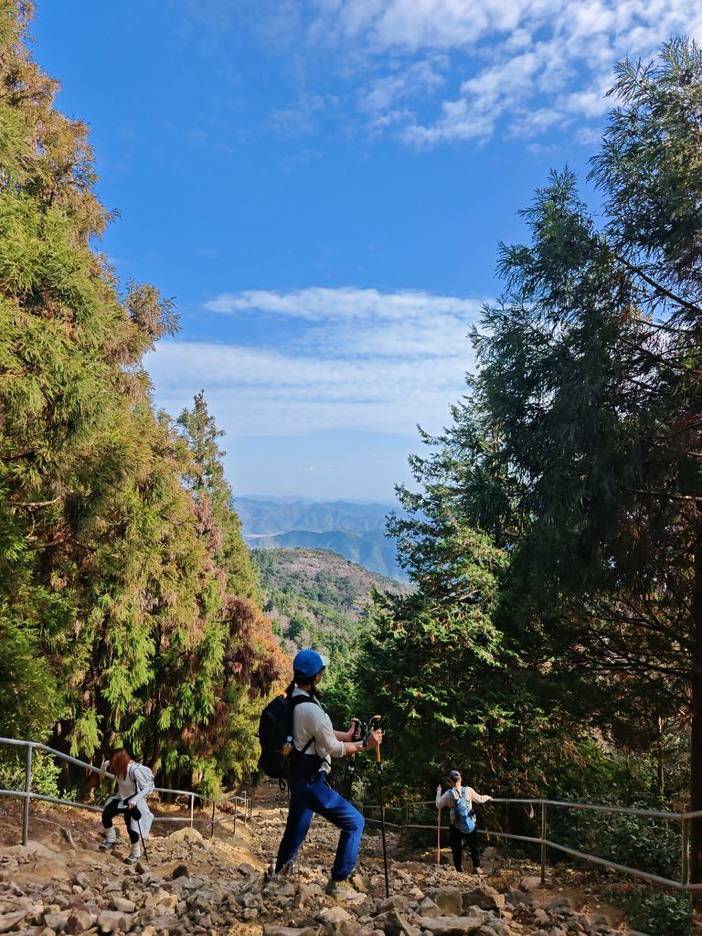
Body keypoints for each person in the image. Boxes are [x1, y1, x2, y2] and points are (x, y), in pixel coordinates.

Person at [274, 648, 383, 897]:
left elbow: (318, 733)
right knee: (355, 822)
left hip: (299, 778)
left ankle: (279, 877)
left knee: (296, 830)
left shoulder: (296, 698)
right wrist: (366, 745)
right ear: (316, 677)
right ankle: (339, 881)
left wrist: (347, 735)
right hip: (312, 782)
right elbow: (333, 748)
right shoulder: (310, 708)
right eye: (321, 671)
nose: (323, 673)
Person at [99, 748, 155, 865]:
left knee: (131, 827)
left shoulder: (133, 771)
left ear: (120, 761)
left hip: (133, 800)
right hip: (121, 797)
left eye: (114, 763)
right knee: (106, 814)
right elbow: (104, 767)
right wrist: (103, 767)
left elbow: (146, 788)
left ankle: (135, 854)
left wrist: (134, 800)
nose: (112, 766)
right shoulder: (113, 764)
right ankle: (111, 840)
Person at [436, 768, 493, 875]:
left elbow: (438, 805)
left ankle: (458, 869)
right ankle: (476, 867)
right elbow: (480, 799)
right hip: (470, 824)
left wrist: (438, 792)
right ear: (460, 779)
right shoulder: (468, 790)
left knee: (456, 848)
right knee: (474, 846)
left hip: (456, 826)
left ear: (450, 781)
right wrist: (488, 797)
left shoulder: (448, 794)